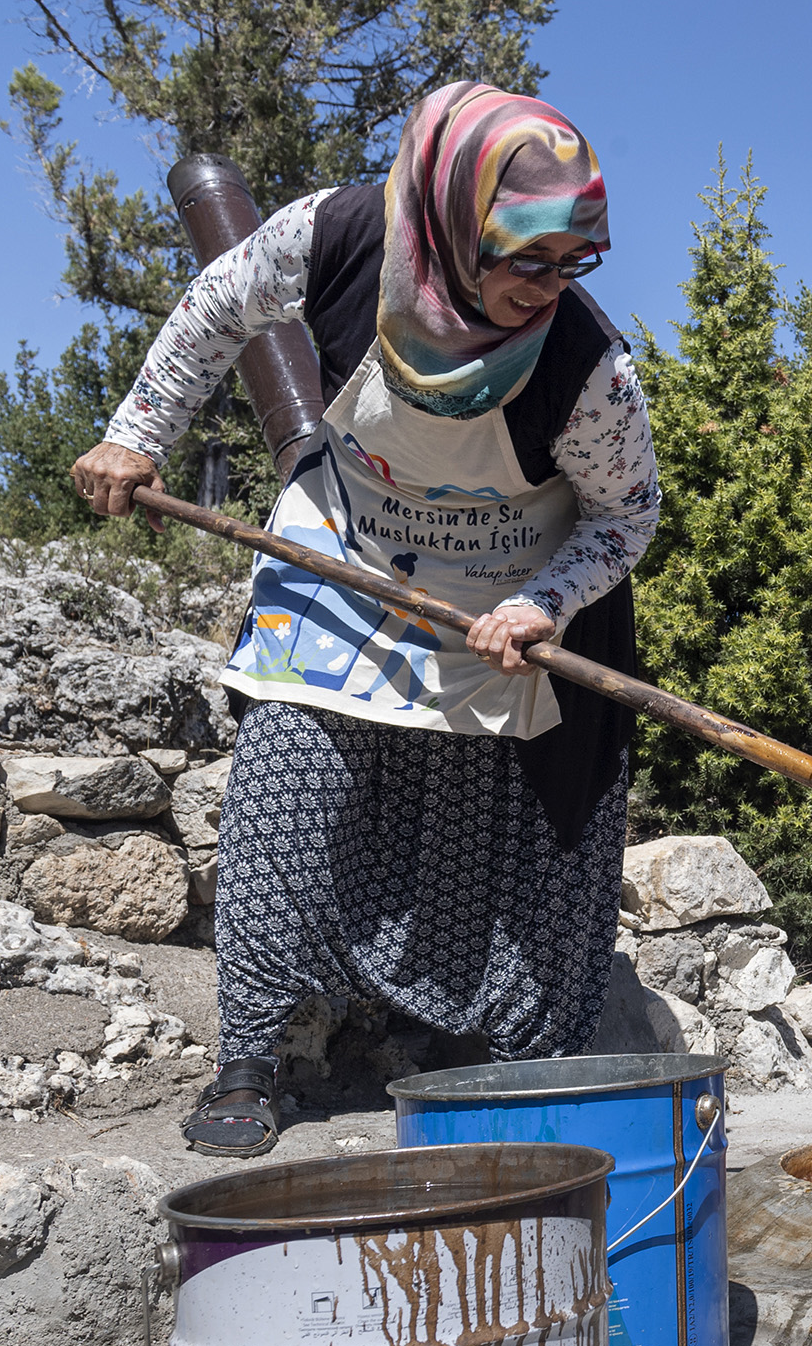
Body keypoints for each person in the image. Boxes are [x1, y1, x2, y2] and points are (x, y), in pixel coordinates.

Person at [69, 82, 657, 1157]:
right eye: (528, 258)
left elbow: (628, 516)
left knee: (497, 831)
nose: (551, 288)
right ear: (449, 220)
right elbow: (215, 310)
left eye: (575, 264)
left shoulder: (587, 369)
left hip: (506, 596)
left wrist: (543, 602)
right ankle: (247, 1056)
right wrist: (136, 431)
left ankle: (479, 1058)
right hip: (347, 550)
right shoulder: (340, 235)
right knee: (285, 783)